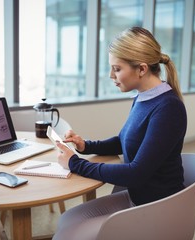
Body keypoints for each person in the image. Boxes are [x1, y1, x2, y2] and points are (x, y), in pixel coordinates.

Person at [53, 26, 187, 240]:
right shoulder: (142, 98)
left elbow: (136, 173)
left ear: (141, 69)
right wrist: (85, 145)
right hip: (139, 197)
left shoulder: (168, 108)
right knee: (65, 221)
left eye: (116, 68)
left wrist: (75, 164)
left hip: (156, 208)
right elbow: (123, 140)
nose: (110, 75)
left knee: (66, 236)